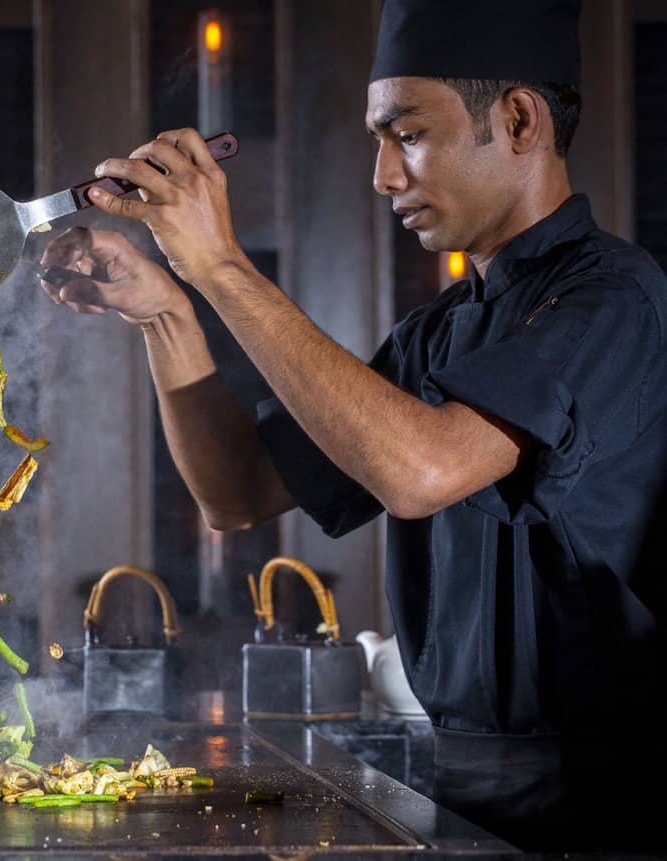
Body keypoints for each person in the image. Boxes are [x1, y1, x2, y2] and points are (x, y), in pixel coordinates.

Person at [39, 0, 665, 851]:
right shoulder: (436, 335)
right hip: (455, 784)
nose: (383, 175)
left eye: (405, 133)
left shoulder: (614, 299)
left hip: (607, 802)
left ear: (518, 120)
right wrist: (166, 313)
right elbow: (237, 491)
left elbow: (421, 471)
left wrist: (220, 265)